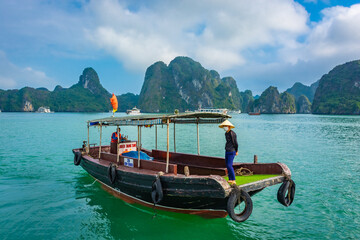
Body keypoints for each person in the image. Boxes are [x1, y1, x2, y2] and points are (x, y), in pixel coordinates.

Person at [219, 120, 238, 185]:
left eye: (225, 126)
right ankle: (230, 179)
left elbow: (235, 143)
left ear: (229, 126)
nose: (224, 127)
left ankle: (233, 179)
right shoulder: (226, 133)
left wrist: (236, 151)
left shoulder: (232, 133)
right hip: (227, 150)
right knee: (227, 165)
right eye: (224, 126)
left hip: (232, 151)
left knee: (230, 165)